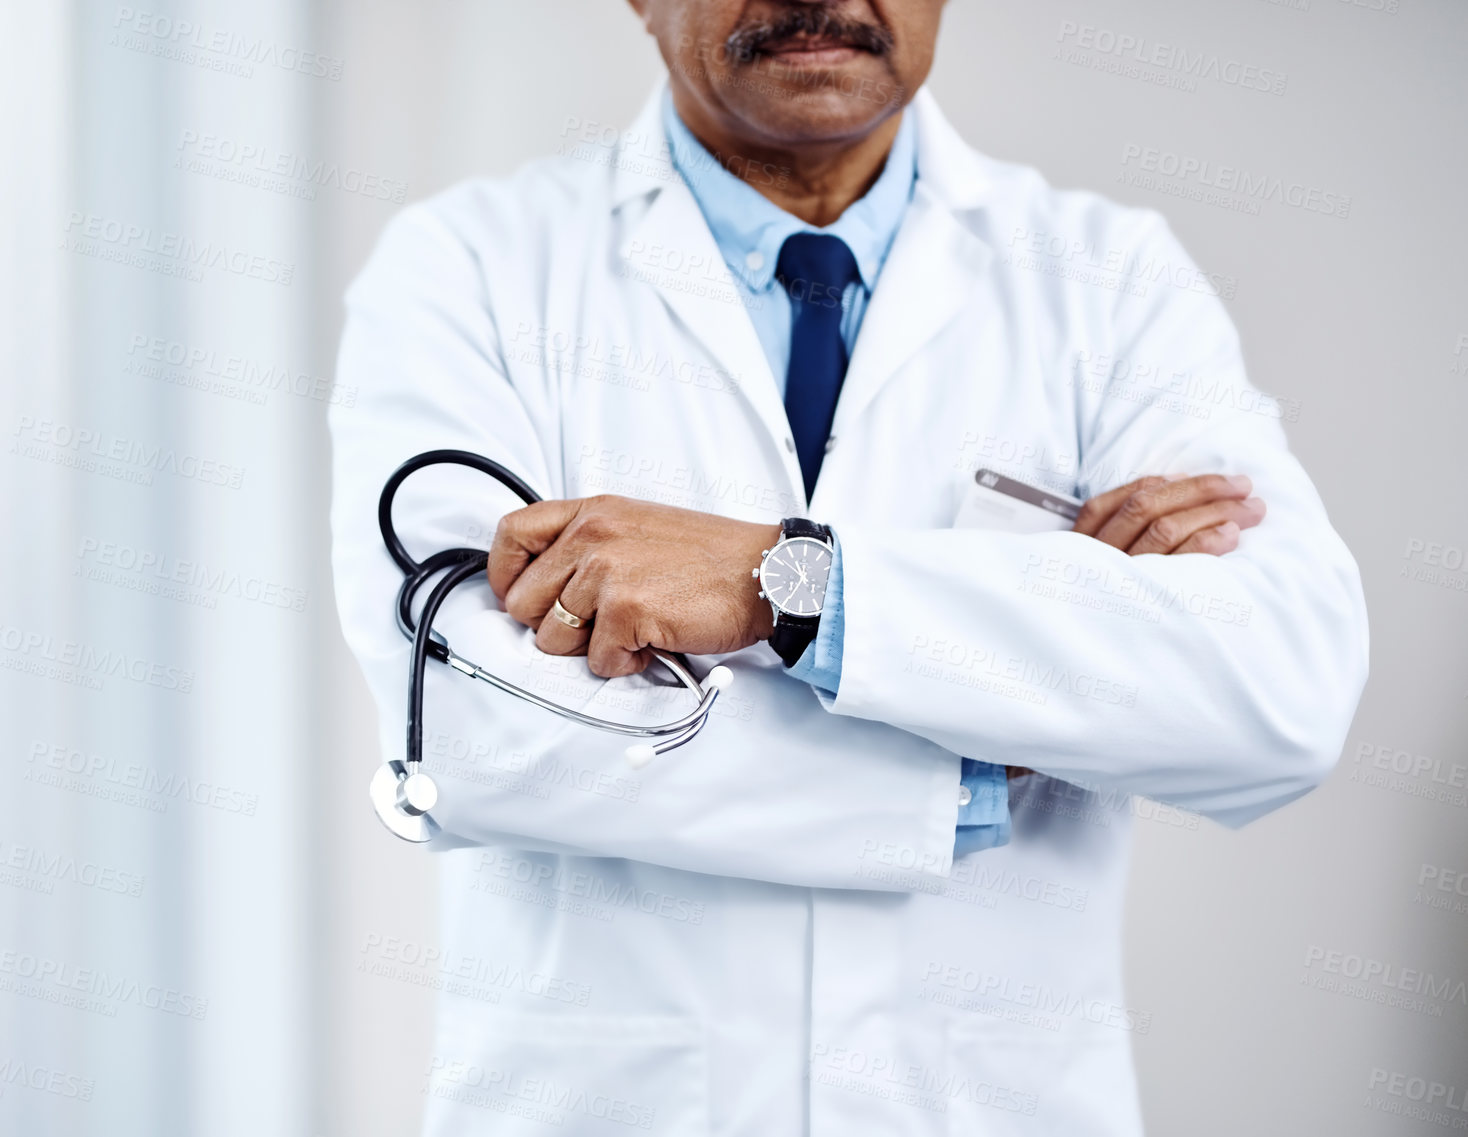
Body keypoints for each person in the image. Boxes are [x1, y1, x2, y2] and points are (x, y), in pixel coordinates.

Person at [329, 2, 1369, 1132]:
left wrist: (787, 590)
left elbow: (1276, 695)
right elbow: (475, 733)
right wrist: (999, 728)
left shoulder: (1110, 279)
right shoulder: (471, 264)